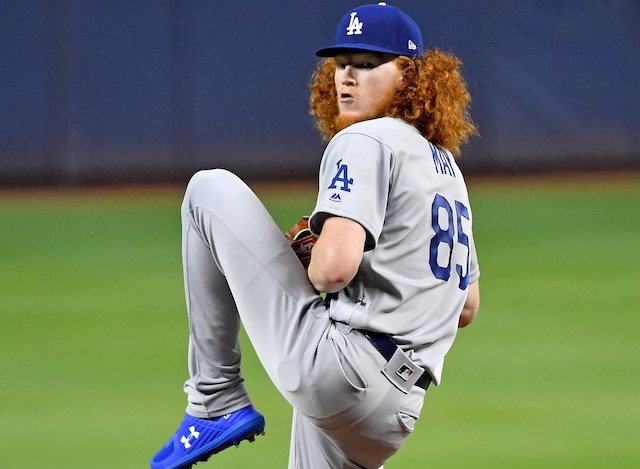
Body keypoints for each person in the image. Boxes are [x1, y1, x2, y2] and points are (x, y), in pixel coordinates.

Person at [150, 3, 480, 469]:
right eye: (342, 63)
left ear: (409, 76)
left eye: (367, 65)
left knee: (207, 190)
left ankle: (214, 399)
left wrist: (313, 254)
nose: (347, 76)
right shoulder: (446, 169)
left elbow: (331, 271)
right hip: (395, 414)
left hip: (343, 376)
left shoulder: (365, 139)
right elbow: (466, 306)